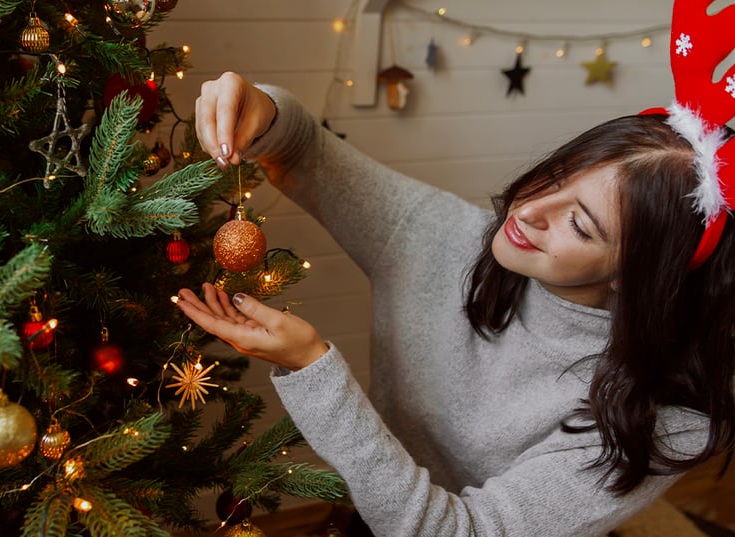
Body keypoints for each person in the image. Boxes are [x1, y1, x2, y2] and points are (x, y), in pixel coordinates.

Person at [174, 68, 735, 536]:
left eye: (579, 224)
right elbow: (302, 149)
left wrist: (312, 369)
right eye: (557, 176)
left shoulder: (661, 417)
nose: (528, 210)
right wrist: (259, 110)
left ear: (633, 275)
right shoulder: (443, 238)